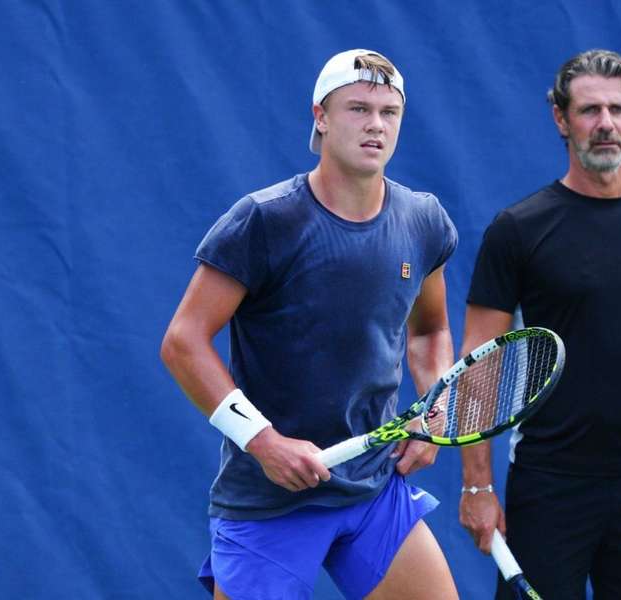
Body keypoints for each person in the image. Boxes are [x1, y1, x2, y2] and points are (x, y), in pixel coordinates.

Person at [161, 49, 459, 600]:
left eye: (389, 112)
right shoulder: (264, 220)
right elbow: (182, 343)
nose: (375, 125)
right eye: (358, 109)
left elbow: (429, 331)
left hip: (373, 489)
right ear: (320, 116)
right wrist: (264, 442)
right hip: (270, 500)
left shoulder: (423, 221)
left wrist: (435, 410)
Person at [458, 49, 621, 599]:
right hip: (548, 486)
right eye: (588, 111)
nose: (605, 124)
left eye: (617, 110)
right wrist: (477, 483)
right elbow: (477, 365)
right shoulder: (518, 230)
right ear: (561, 119)